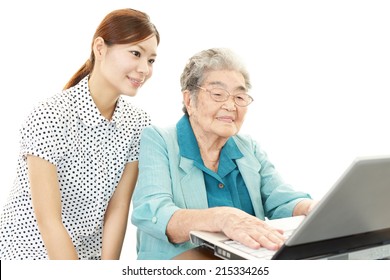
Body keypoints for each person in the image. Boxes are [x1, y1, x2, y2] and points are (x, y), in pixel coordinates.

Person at [0, 8, 160, 260]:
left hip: (87, 259)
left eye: (151, 60)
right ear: (100, 47)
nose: (144, 69)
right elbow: (49, 222)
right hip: (26, 255)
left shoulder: (138, 123)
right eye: (135, 53)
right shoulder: (50, 115)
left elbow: (117, 210)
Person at [131, 48, 317, 260]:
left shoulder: (248, 148)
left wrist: (313, 209)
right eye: (218, 94)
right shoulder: (159, 140)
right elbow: (152, 211)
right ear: (189, 101)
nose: (230, 106)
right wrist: (220, 217)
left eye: (239, 96)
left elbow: (280, 200)